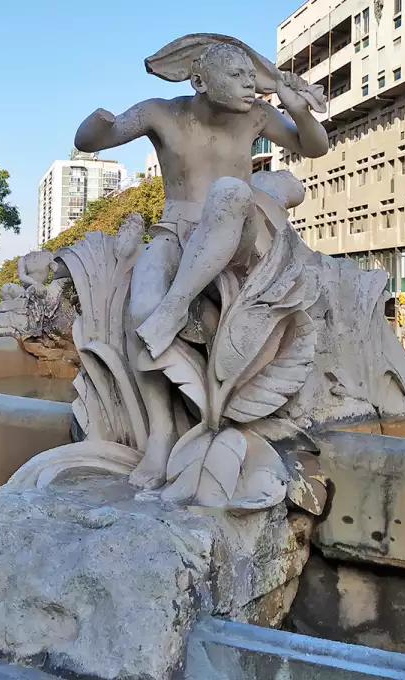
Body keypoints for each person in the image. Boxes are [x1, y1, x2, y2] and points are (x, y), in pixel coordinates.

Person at [72, 38, 329, 488]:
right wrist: (98, 124)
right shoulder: (160, 113)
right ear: (200, 82)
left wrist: (298, 109)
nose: (251, 87)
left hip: (240, 231)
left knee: (230, 192)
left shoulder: (257, 116)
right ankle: (161, 436)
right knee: (138, 311)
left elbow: (315, 147)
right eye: (238, 78)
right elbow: (96, 140)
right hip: (176, 230)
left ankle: (176, 306)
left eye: (253, 79)